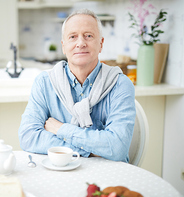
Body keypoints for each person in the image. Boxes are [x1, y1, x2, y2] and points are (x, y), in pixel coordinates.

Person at [18, 9, 136, 162]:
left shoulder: (120, 84)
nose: (80, 43)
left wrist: (61, 129)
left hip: (107, 178)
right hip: (59, 174)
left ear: (101, 44)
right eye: (73, 37)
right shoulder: (44, 83)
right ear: (63, 46)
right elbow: (28, 137)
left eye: (88, 36)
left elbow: (117, 148)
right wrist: (93, 150)